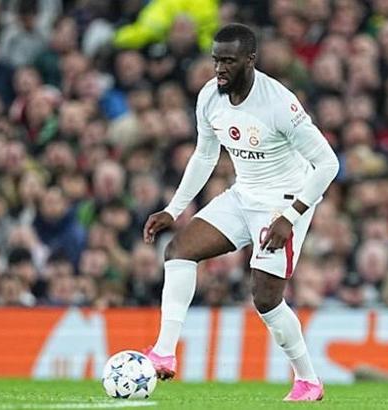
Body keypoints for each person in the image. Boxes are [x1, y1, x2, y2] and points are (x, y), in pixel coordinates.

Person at [142, 23, 339, 402]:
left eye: (229, 61)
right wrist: (173, 209)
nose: (220, 69)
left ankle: (308, 380)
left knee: (265, 299)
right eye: (216, 60)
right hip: (243, 193)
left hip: (284, 201)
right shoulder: (209, 97)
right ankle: (164, 352)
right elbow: (204, 155)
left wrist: (290, 216)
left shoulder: (279, 104)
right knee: (179, 250)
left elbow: (328, 164)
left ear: (250, 60)